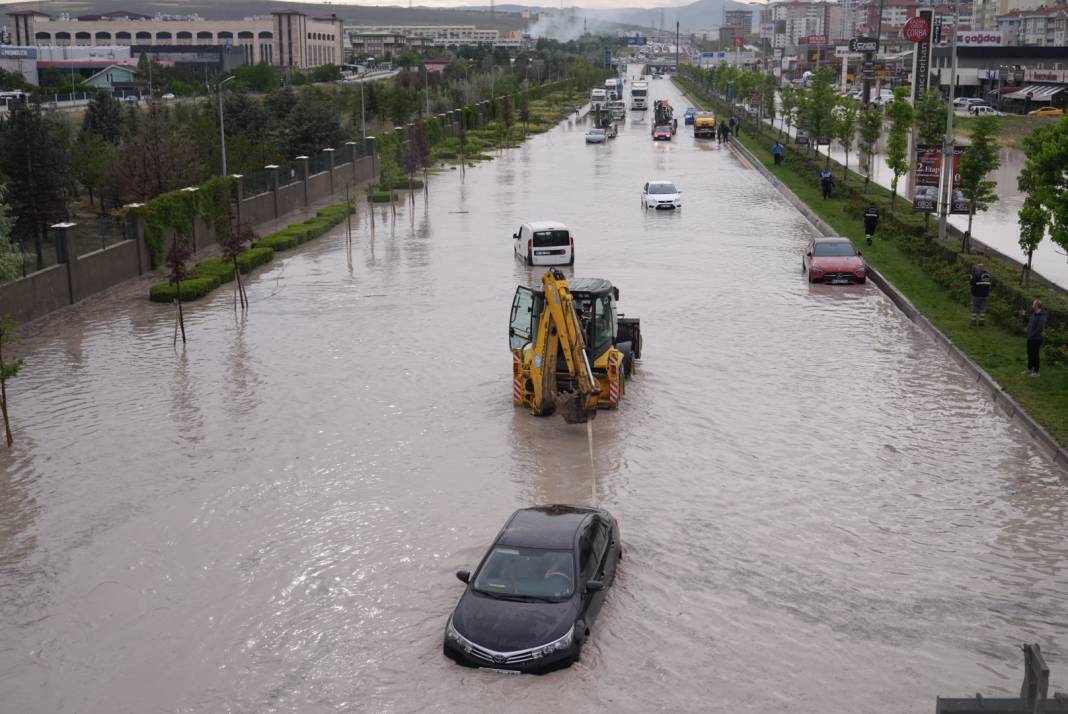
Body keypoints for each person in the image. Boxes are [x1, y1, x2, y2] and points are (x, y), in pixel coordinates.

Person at [1019, 300, 1049, 376]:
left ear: (1036, 306)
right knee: (1029, 353)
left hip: (1036, 338)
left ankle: (1036, 371)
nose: (1032, 306)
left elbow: (1040, 328)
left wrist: (1031, 334)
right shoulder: (1034, 314)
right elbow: (1030, 321)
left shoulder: (1042, 316)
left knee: (1035, 354)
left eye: (1033, 304)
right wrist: (1024, 315)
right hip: (1030, 337)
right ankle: (1029, 369)